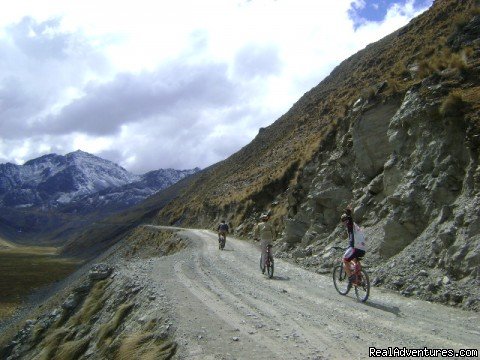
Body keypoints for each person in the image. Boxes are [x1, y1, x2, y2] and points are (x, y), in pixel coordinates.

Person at [341, 208, 366, 284]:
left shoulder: (350, 225)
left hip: (355, 247)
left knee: (344, 261)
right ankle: (359, 276)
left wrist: (348, 214)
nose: (344, 223)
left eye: (343, 221)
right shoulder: (356, 227)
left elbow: (350, 220)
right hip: (363, 249)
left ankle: (351, 278)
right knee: (355, 260)